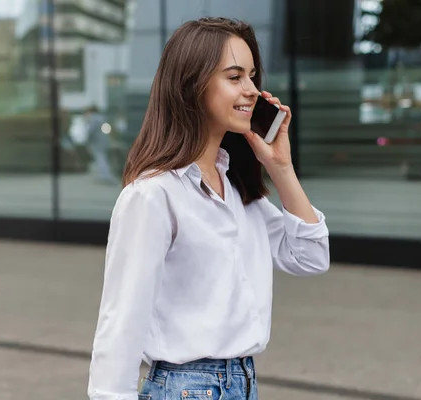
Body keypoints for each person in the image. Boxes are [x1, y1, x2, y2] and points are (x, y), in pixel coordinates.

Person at [88, 17, 330, 400]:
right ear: (192, 86)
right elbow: (122, 320)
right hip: (186, 389)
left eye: (252, 77)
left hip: (243, 383)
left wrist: (280, 167)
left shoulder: (236, 191)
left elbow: (311, 256)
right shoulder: (153, 195)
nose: (251, 90)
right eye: (234, 77)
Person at [84, 105, 116, 184]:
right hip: (103, 141)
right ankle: (104, 175)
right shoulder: (101, 118)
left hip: (97, 142)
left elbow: (91, 131)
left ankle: (104, 175)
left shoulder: (94, 119)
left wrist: (87, 140)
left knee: (100, 158)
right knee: (102, 158)